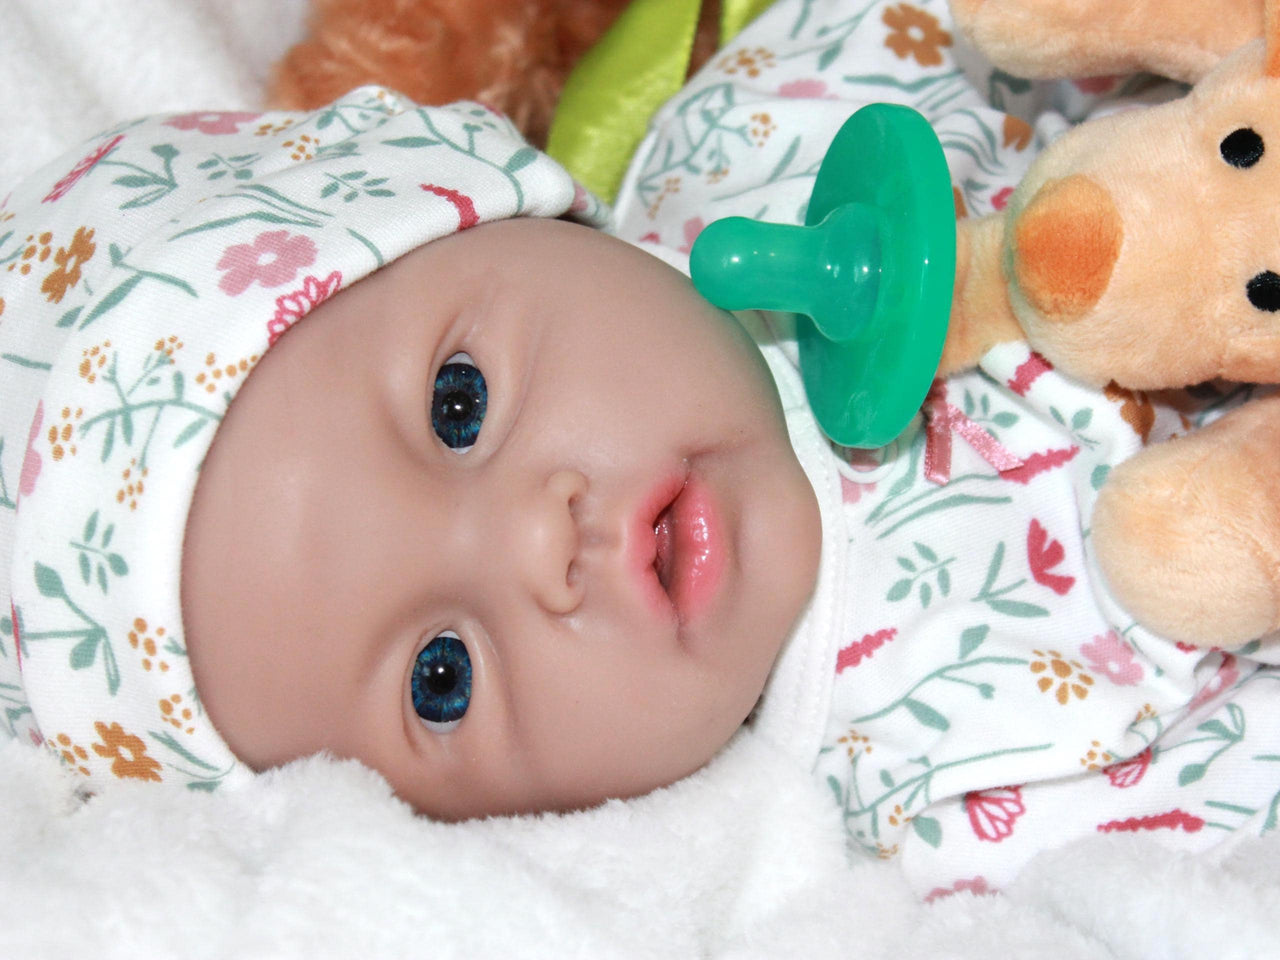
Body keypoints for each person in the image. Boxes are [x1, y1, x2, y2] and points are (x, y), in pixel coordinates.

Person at [2, 0, 1276, 901]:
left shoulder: (767, 117)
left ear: (493, 196)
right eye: (438, 676)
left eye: (457, 406)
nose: (535, 545)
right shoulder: (939, 797)